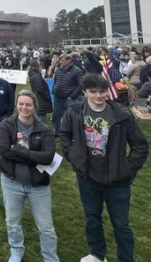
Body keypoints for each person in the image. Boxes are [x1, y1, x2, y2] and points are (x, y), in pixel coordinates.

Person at [59, 74, 149, 262]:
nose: (98, 96)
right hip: (87, 177)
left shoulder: (121, 115)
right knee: (92, 217)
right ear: (84, 92)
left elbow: (140, 145)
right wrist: (73, 157)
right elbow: (64, 134)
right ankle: (97, 254)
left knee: (121, 223)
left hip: (117, 179)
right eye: (93, 92)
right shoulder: (75, 112)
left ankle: (126, 258)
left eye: (102, 91)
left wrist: (128, 168)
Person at [0, 90, 59, 262]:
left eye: (28, 105)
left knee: (46, 226)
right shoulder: (7, 125)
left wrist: (19, 150)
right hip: (11, 182)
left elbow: (48, 158)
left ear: (35, 107)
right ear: (17, 105)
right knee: (12, 221)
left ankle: (50, 257)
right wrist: (33, 156)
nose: (24, 108)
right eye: (21, 104)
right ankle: (16, 250)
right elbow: (4, 152)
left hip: (38, 185)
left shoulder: (45, 130)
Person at [52, 53, 84, 136]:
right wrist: (53, 90)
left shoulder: (77, 71)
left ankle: (70, 132)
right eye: (60, 60)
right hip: (58, 97)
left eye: (63, 60)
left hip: (69, 98)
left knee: (70, 116)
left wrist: (73, 95)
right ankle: (57, 131)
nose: (61, 62)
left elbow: (80, 84)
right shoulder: (58, 69)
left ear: (69, 60)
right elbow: (55, 80)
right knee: (57, 115)